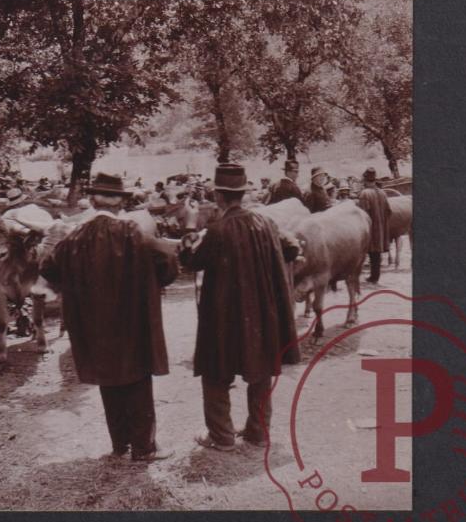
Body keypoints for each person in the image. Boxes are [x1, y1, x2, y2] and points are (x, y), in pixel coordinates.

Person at [40, 173, 179, 462]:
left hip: (94, 322)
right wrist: (154, 283)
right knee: (137, 379)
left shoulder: (74, 236)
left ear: (92, 201)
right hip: (132, 319)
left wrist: (75, 285)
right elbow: (167, 258)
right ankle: (144, 448)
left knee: (109, 380)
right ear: (120, 203)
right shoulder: (132, 231)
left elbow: (48, 268)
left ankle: (120, 446)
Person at [180, 164, 300, 451]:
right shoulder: (266, 223)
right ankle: (258, 432)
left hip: (225, 315)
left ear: (219, 196)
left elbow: (191, 261)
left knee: (215, 372)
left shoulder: (217, 231)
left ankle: (221, 436)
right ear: (243, 194)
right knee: (261, 371)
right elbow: (292, 248)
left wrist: (189, 228)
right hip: (262, 314)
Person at [356, 167, 392, 284]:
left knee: (370, 252)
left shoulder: (364, 194)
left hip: (370, 228)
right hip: (381, 228)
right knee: (376, 253)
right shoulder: (382, 193)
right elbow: (389, 211)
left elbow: (362, 214)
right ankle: (375, 276)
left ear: (365, 180)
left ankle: (371, 277)